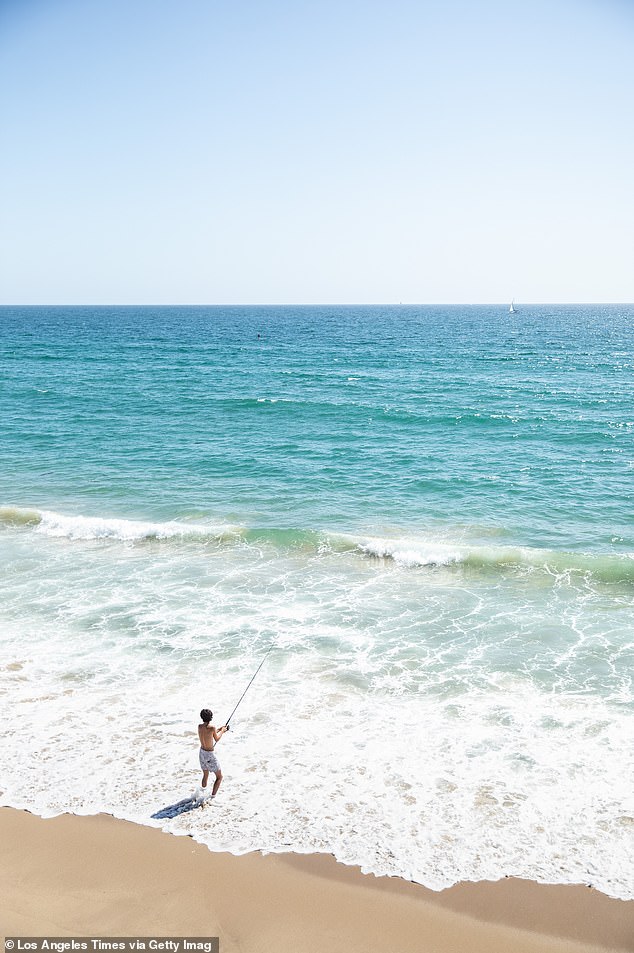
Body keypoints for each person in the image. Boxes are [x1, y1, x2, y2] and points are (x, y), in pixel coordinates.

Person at [196, 708, 228, 800]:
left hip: (202, 753)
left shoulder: (199, 727)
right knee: (219, 777)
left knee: (205, 774)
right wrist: (223, 731)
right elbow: (217, 739)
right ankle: (212, 798)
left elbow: (209, 733)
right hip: (209, 755)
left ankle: (201, 793)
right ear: (211, 717)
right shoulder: (212, 728)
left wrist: (220, 729)